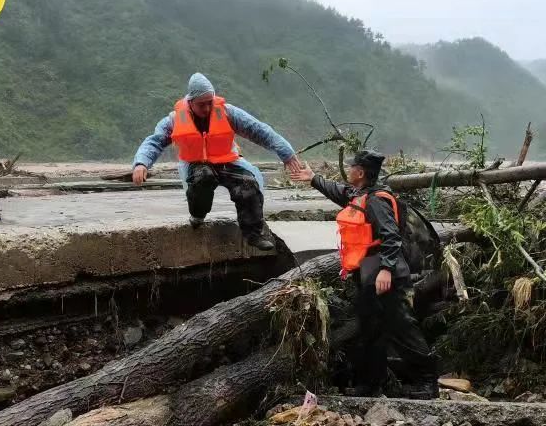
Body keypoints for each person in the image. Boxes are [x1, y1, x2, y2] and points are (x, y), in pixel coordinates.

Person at [290, 150, 439, 399]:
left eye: (351, 168)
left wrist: (385, 270)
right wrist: (313, 178)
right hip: (368, 273)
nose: (348, 171)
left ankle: (427, 382)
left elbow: (391, 237)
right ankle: (371, 384)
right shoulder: (360, 195)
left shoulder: (377, 201)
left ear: (360, 173)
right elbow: (339, 192)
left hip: (385, 273)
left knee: (402, 327)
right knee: (370, 330)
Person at [132, 73, 302, 250]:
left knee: (248, 183)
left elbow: (260, 130)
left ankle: (254, 234)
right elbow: (154, 142)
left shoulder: (228, 112)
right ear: (190, 102)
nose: (206, 108)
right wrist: (141, 163)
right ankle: (198, 214)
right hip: (197, 165)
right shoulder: (174, 120)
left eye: (209, 103)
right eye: (201, 104)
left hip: (227, 161)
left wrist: (286, 154)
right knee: (203, 177)